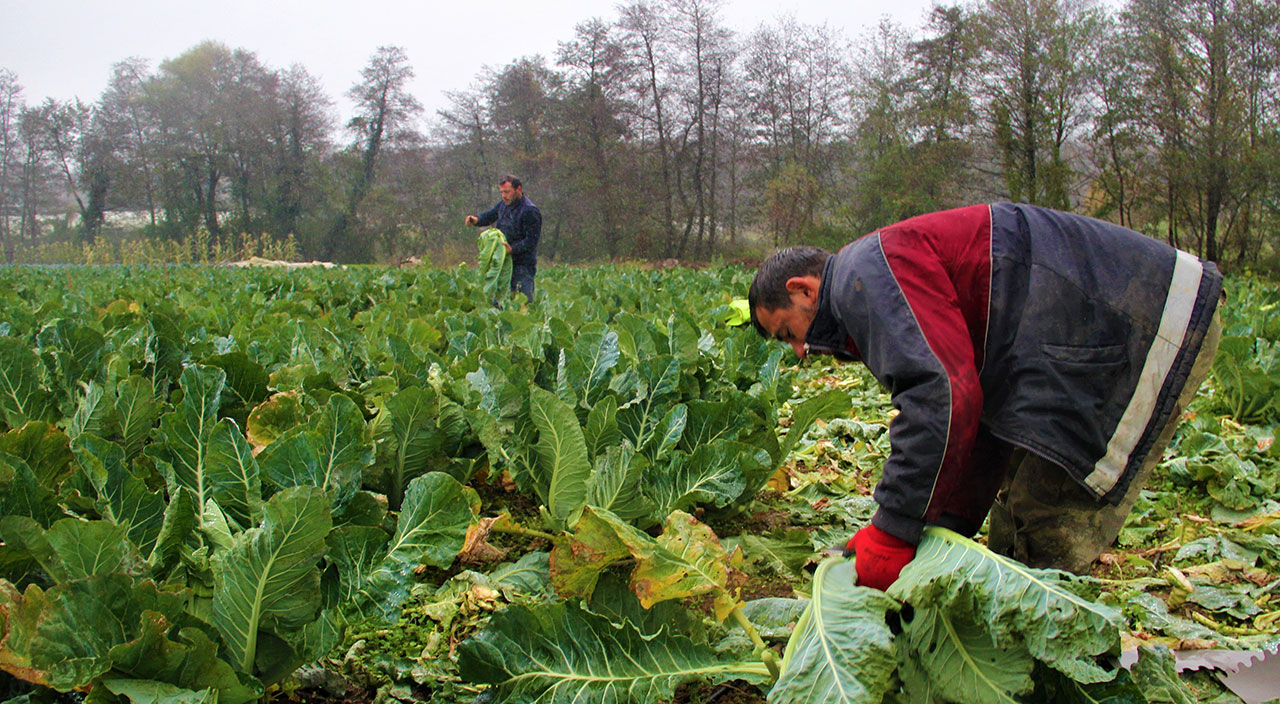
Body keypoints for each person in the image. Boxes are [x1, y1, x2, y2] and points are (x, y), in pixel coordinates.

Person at [748, 203, 1223, 590]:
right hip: (1102, 328)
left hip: (1144, 322)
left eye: (789, 331)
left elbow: (941, 396)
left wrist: (893, 528)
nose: (799, 351)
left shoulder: (865, 275)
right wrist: (944, 526)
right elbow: (974, 420)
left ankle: (1050, 676)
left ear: (804, 290)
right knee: (1013, 533)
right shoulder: (873, 275)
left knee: (1045, 524)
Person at [465, 175, 542, 303]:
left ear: (518, 189)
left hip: (522, 266)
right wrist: (476, 220)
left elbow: (531, 241)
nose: (504, 196)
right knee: (499, 302)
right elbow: (490, 215)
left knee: (523, 302)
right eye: (501, 192)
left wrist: (512, 249)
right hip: (504, 263)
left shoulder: (530, 211)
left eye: (507, 192)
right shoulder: (503, 205)